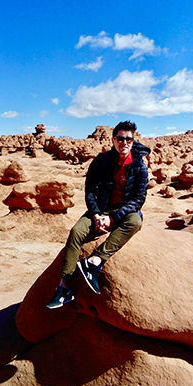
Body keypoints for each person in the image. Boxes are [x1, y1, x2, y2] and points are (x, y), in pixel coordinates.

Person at [46, 121, 147, 308]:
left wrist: (113, 218)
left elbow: (138, 199)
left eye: (128, 139)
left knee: (135, 221)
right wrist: (97, 215)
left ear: (133, 141)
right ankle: (64, 287)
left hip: (123, 212)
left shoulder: (139, 166)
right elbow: (90, 191)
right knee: (76, 232)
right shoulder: (101, 162)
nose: (124, 142)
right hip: (100, 209)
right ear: (113, 140)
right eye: (120, 138)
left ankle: (95, 261)